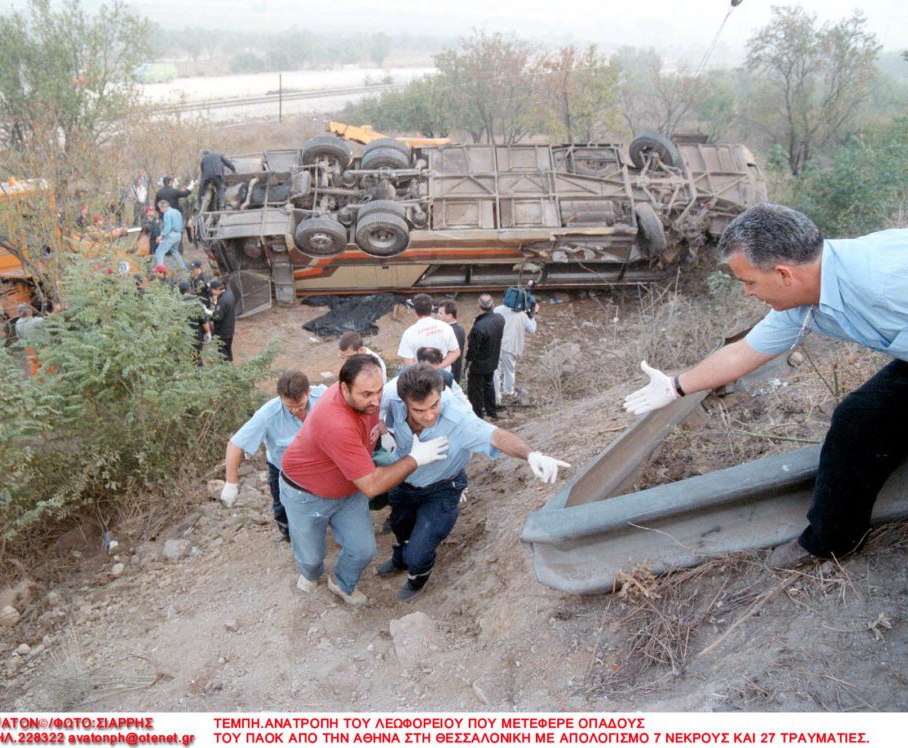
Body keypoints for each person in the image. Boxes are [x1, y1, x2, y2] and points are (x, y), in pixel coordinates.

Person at [623, 203, 908, 570]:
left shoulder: (886, 278)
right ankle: (831, 538)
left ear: (784, 274)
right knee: (859, 419)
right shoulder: (802, 302)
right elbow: (743, 352)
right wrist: (677, 386)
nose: (746, 293)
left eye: (749, 282)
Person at [378, 364, 568, 601]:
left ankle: (417, 576)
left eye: (434, 405)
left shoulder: (458, 420)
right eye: (419, 410)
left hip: (440, 489)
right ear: (405, 401)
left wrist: (531, 454)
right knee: (400, 526)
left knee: (419, 551)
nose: (429, 415)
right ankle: (399, 560)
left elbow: (496, 436)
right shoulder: (394, 403)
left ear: (440, 394)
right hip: (404, 482)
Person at [279, 354, 450, 606]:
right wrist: (415, 458)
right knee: (312, 556)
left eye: (379, 391)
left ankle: (341, 582)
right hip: (306, 493)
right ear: (344, 388)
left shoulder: (367, 400)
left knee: (362, 550)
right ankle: (310, 573)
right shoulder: (335, 421)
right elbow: (371, 485)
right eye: (366, 394)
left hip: (348, 489)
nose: (375, 400)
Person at [221, 371, 328, 542]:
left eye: (299, 405)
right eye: (289, 407)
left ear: (308, 392)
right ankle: (290, 538)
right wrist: (230, 484)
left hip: (321, 464)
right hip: (284, 471)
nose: (295, 411)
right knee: (282, 509)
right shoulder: (267, 415)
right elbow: (236, 444)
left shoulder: (324, 397)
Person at [494, 288, 538, 402]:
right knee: (509, 370)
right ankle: (508, 392)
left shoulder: (497, 310)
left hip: (495, 345)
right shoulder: (522, 315)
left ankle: (496, 396)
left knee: (496, 371)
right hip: (511, 347)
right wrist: (533, 315)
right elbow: (532, 330)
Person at [465, 294, 505, 420]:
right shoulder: (500, 319)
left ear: (479, 307)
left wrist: (467, 363)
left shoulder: (479, 327)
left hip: (479, 365)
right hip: (493, 360)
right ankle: (491, 412)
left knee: (475, 391)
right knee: (489, 385)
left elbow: (473, 349)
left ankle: (477, 415)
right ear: (493, 306)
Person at [397, 293, 460, 370]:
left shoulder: (409, 333)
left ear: (415, 311)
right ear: (431, 308)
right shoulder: (446, 327)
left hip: (420, 377)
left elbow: (408, 364)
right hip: (442, 376)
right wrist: (439, 367)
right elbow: (455, 352)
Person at [177, 279, 211, 362]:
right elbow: (204, 321)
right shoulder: (195, 302)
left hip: (185, 336)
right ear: (189, 289)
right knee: (196, 358)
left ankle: (195, 367)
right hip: (195, 336)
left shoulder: (178, 303)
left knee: (192, 356)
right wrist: (208, 333)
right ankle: (198, 370)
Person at [436, 299, 466, 382]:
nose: (438, 315)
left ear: (449, 315)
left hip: (450, 372)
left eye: (440, 313)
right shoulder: (459, 328)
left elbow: (454, 355)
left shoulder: (451, 330)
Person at [155, 199, 187, 271]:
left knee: (159, 251)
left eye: (160, 208)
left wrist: (161, 236)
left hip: (171, 235)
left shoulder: (167, 214)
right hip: (178, 235)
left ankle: (159, 270)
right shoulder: (177, 212)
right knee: (175, 251)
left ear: (163, 207)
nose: (160, 211)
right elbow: (182, 223)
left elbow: (168, 227)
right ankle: (183, 267)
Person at [209, 278, 236, 361]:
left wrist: (209, 314)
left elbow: (217, 318)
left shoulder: (221, 301)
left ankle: (225, 371)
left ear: (217, 290)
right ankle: (230, 368)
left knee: (222, 353)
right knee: (227, 350)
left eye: (212, 290)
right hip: (230, 329)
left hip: (222, 332)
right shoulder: (229, 294)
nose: (211, 292)